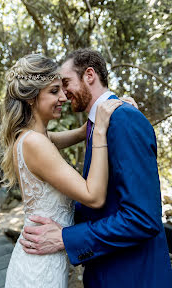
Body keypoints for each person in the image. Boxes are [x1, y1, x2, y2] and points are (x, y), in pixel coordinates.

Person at [20, 48, 172, 288]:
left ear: (89, 75)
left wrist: (67, 238)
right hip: (105, 271)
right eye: (56, 89)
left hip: (132, 276)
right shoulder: (96, 125)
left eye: (66, 82)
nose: (64, 93)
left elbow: (144, 218)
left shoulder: (123, 119)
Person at [0, 53, 122, 288]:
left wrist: (98, 115)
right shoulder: (36, 144)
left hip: (40, 259)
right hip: (40, 270)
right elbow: (93, 197)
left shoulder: (30, 138)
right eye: (54, 91)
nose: (64, 97)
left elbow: (69, 135)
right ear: (32, 98)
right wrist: (99, 132)